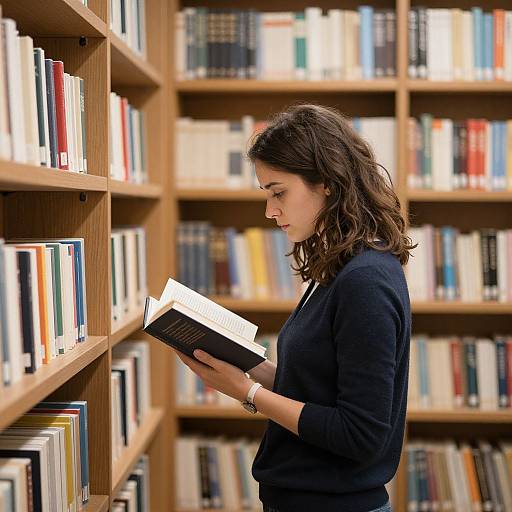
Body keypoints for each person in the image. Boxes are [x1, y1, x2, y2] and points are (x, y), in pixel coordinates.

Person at [176, 104, 414, 512]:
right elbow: (316, 390)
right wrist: (247, 364)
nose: (270, 211)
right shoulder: (338, 267)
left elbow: (360, 433)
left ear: (326, 182)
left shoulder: (365, 280)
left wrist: (247, 392)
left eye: (278, 192)